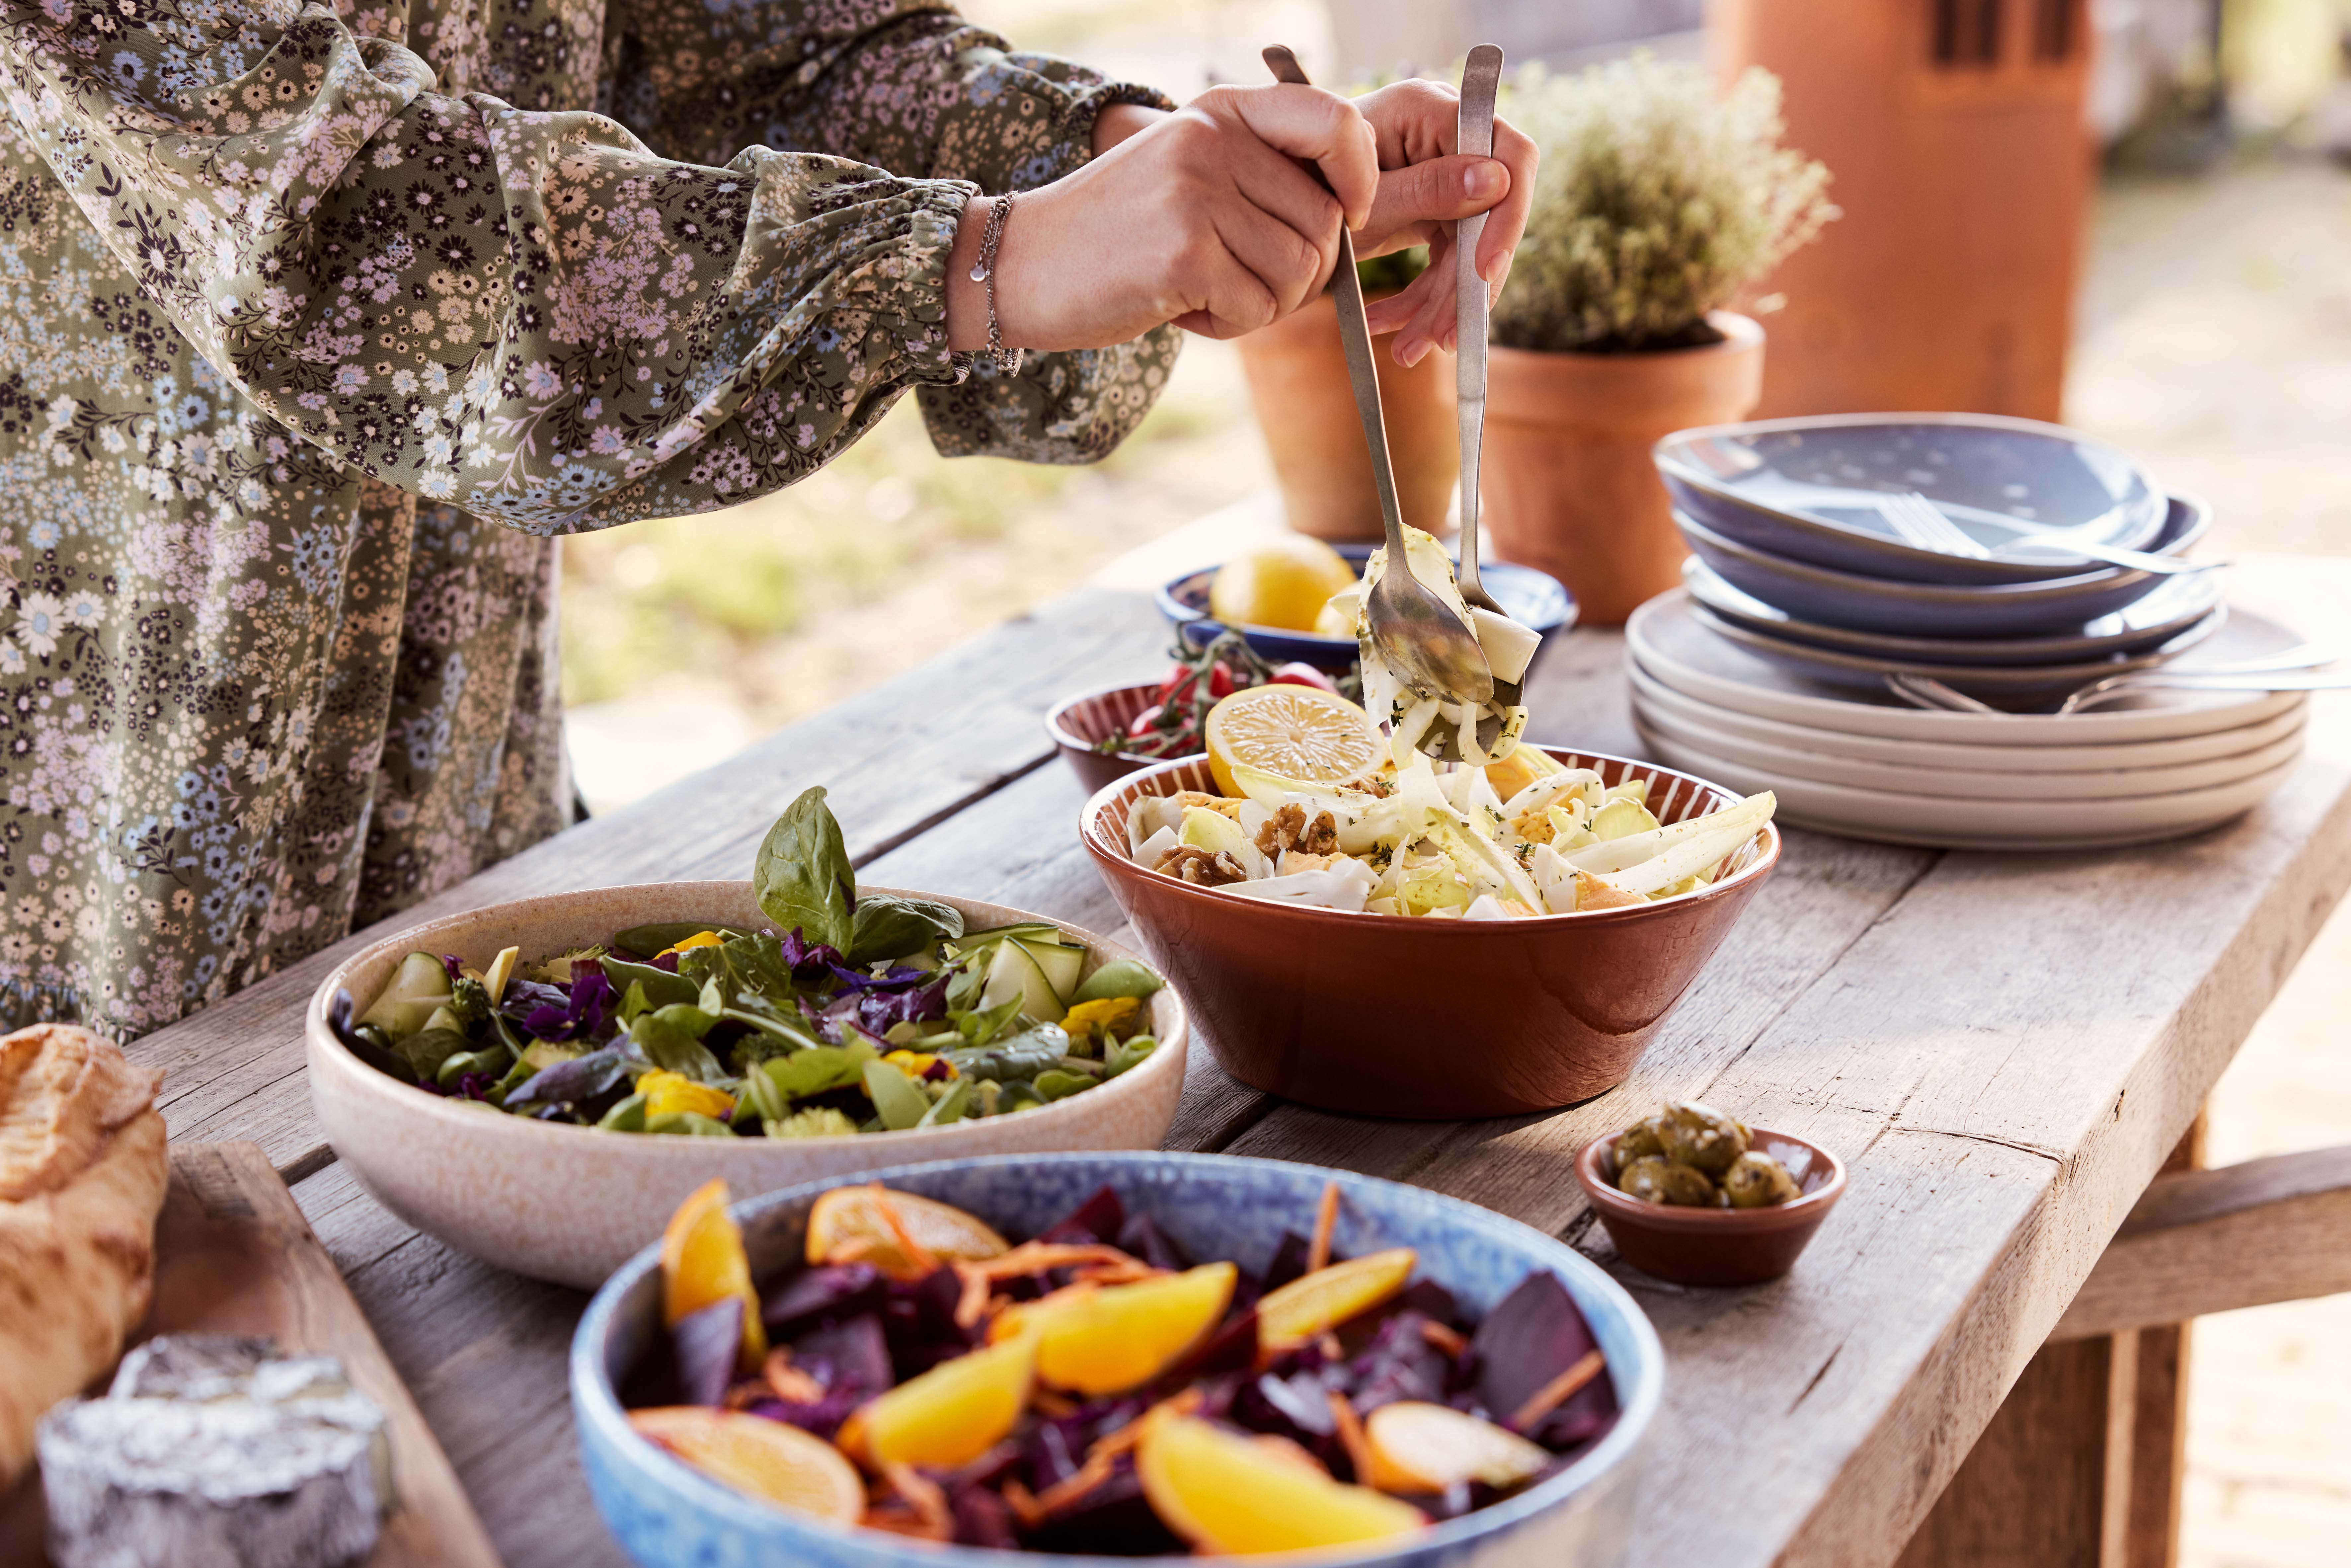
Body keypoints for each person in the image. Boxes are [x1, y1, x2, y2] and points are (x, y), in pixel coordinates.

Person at [0, 1, 1533, 1037]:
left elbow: (762, 47)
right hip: (95, 880)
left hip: (467, 822)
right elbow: (346, 225)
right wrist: (988, 258)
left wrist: (1142, 167)